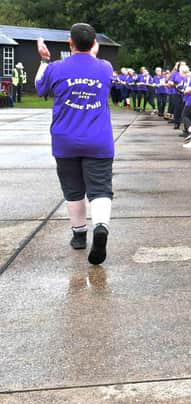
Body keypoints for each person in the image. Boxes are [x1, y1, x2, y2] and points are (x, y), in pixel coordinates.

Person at [35, 23, 115, 265]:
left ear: (70, 43)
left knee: (73, 189)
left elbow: (40, 89)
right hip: (98, 139)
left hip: (65, 139)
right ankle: (100, 227)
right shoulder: (105, 67)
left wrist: (43, 61)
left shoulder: (57, 68)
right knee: (100, 188)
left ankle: (79, 235)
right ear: (93, 44)